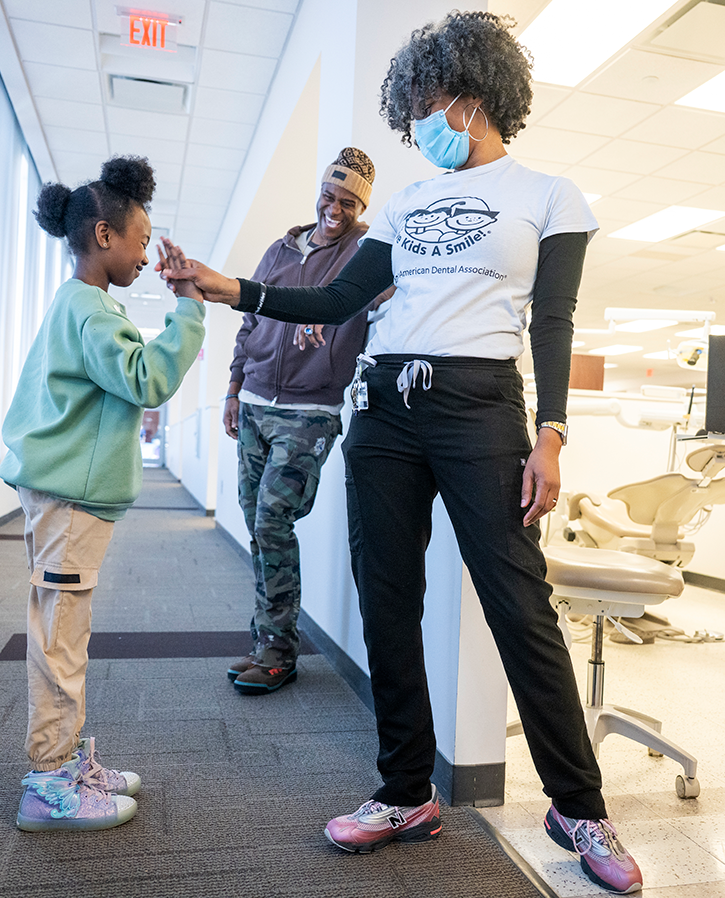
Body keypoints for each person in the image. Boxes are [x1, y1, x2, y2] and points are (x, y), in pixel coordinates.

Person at [158, 12, 642, 894]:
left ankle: (578, 805)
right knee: (388, 599)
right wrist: (230, 286)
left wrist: (551, 434)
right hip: (384, 408)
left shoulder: (548, 196)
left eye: (426, 104)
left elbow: (553, 321)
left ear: (471, 95)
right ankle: (404, 790)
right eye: (410, 107)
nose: (418, 123)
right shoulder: (411, 201)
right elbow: (339, 297)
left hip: (478, 410)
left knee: (518, 607)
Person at [0, 156, 206, 832]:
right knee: (61, 639)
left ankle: (63, 762)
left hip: (65, 495)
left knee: (67, 632)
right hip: (68, 500)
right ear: (104, 234)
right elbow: (147, 379)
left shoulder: (83, 305)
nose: (147, 254)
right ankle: (48, 783)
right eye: (141, 240)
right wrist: (190, 309)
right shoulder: (93, 314)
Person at [222, 148, 391, 696]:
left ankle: (278, 650)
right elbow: (250, 321)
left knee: (273, 517)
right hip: (253, 403)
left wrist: (344, 311)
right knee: (255, 520)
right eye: (329, 195)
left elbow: (384, 294)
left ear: (361, 205)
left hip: (311, 409)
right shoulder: (280, 248)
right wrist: (232, 387)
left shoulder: (364, 253)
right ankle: (267, 638)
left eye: (348, 201)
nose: (334, 208)